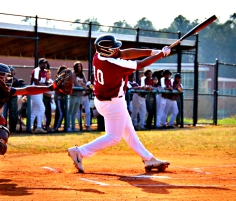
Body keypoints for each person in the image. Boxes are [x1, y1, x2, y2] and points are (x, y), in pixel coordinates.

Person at [67, 34, 171, 173]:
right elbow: (140, 64)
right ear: (109, 51)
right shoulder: (114, 64)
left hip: (106, 100)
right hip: (113, 103)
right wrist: (161, 55)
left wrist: (153, 52)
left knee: (129, 131)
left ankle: (148, 158)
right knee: (113, 137)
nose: (118, 50)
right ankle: (80, 152)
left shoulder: (98, 56)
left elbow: (125, 53)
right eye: (114, 48)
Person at [29, 58, 48, 134]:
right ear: (39, 64)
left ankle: (29, 127)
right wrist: (46, 86)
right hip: (35, 91)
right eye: (43, 63)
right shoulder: (37, 70)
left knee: (35, 110)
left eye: (45, 63)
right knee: (42, 107)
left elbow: (44, 82)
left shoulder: (45, 71)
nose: (44, 65)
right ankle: (39, 127)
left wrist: (47, 84)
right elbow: (36, 82)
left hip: (40, 92)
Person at [68, 61, 88, 132]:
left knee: (75, 111)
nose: (79, 67)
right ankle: (68, 127)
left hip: (79, 95)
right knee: (70, 111)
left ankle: (73, 127)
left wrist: (83, 85)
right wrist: (83, 85)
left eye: (80, 66)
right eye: (78, 66)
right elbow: (75, 83)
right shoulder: (73, 74)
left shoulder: (82, 74)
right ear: (75, 67)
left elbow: (85, 82)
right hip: (73, 94)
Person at [3, 66, 21, 132]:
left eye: (12, 71)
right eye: (9, 71)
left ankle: (12, 128)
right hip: (5, 97)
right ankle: (3, 127)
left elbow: (18, 84)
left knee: (13, 112)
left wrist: (16, 82)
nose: (10, 72)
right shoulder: (4, 79)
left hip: (13, 97)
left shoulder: (16, 80)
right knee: (3, 113)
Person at [52, 65, 68, 133]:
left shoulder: (66, 78)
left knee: (62, 113)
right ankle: (56, 128)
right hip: (58, 98)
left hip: (63, 98)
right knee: (60, 113)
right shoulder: (58, 78)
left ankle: (58, 127)